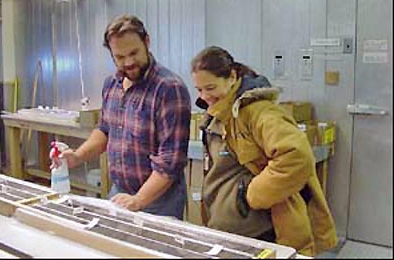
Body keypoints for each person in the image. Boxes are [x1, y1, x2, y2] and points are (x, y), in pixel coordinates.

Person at [191, 46, 338, 256]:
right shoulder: (218, 116)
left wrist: (251, 195)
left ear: (232, 77)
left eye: (210, 87)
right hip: (229, 232)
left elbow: (296, 156)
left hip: (262, 233)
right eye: (199, 89)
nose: (204, 96)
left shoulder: (259, 112)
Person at [50, 14, 191, 220]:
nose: (129, 62)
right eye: (120, 57)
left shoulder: (169, 89)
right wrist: (77, 157)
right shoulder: (112, 85)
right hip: (120, 192)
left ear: (147, 42)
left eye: (134, 53)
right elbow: (105, 131)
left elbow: (170, 162)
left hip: (158, 200)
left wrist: (140, 200)